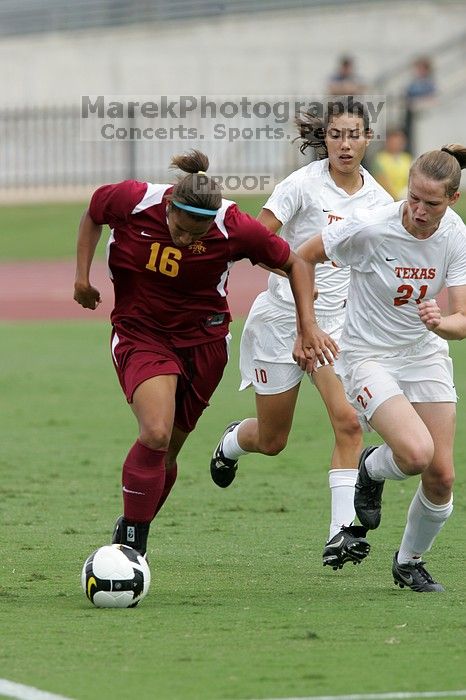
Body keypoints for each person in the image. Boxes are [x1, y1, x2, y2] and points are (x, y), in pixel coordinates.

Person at [73, 149, 331, 558]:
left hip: (205, 344)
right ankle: (131, 547)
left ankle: (132, 527)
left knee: (169, 452)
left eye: (199, 232)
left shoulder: (233, 226)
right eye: (181, 228)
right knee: (155, 432)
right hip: (143, 335)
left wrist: (307, 325)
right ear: (170, 206)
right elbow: (93, 213)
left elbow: (296, 264)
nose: (188, 238)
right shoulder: (133, 199)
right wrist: (82, 278)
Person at [210, 98, 393, 570]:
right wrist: (295, 282)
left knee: (349, 423)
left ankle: (339, 534)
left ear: (368, 139)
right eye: (336, 134)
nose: (345, 144)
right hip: (279, 324)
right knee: (272, 440)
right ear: (325, 139)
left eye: (354, 134)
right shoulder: (301, 186)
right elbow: (256, 238)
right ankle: (233, 441)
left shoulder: (379, 202)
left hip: (335, 331)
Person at [297, 144, 466, 591]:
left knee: (442, 476)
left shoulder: (455, 235)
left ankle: (409, 562)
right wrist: (308, 326)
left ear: (452, 200)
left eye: (431, 203)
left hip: (424, 353)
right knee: (414, 455)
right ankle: (372, 468)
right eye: (413, 196)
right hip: (368, 356)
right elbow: (301, 256)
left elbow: (461, 321)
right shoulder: (372, 227)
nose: (418, 209)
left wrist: (441, 321)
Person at [403, 57, 437, 155]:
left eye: (420, 68)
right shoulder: (413, 83)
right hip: (410, 113)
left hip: (423, 116)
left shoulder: (429, 83)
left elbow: (433, 98)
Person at [372, 128, 412, 201]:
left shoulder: (407, 159)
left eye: (400, 141)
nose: (397, 144)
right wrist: (397, 198)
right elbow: (382, 182)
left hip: (406, 198)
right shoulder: (379, 159)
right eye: (394, 141)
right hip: (386, 200)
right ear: (387, 142)